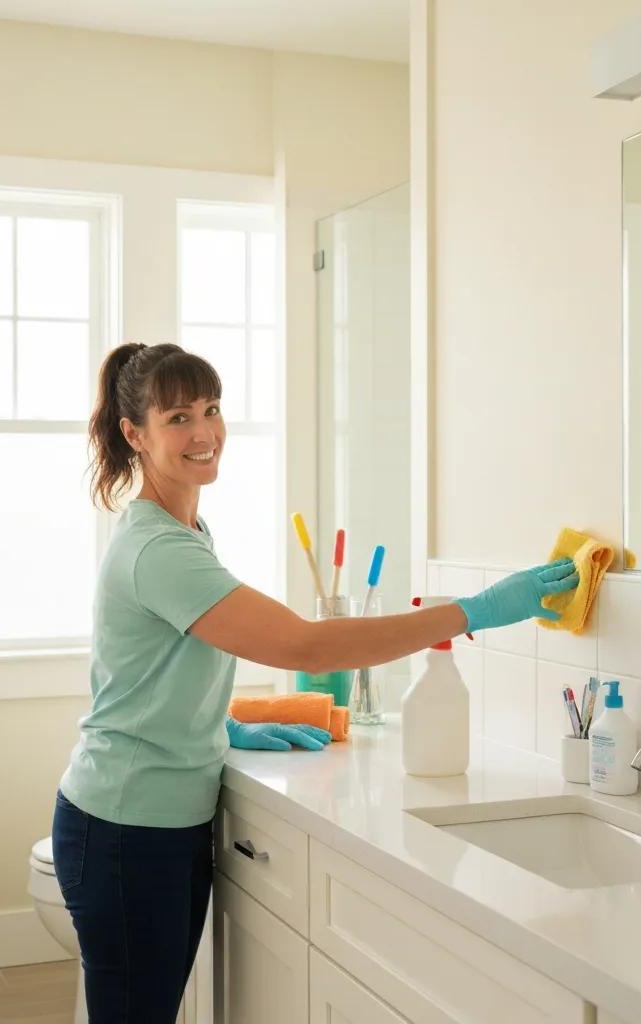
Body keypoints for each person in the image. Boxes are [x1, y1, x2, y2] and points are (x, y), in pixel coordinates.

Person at [52, 342, 578, 1023]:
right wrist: (477, 610)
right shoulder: (159, 548)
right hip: (126, 825)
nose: (205, 433)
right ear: (135, 434)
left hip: (158, 817)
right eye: (179, 417)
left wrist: (221, 725)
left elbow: (155, 668)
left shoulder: (187, 529)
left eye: (212, 410)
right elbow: (304, 641)